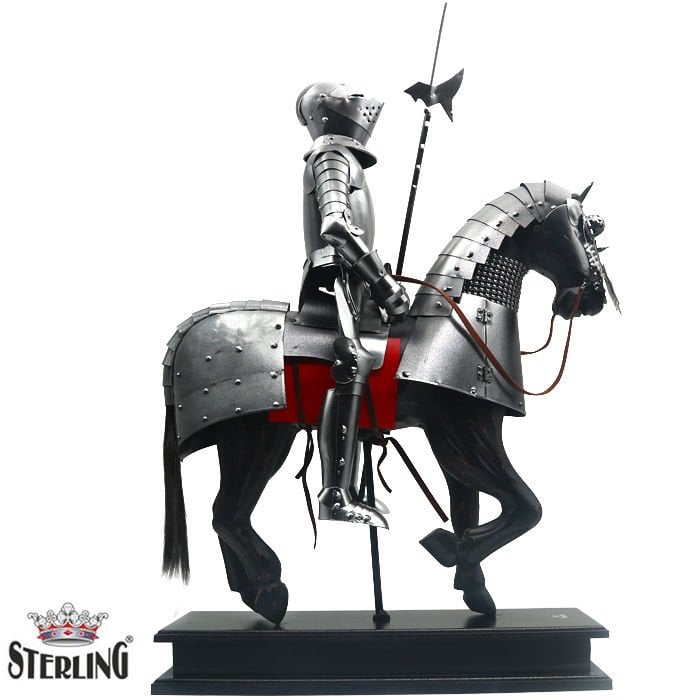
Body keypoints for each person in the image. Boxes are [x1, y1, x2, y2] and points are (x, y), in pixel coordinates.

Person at [296, 82, 409, 528]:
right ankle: (335, 494)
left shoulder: (343, 157)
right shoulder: (332, 157)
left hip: (352, 279)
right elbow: (336, 227)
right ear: (329, 112)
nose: (363, 104)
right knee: (352, 360)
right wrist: (383, 284)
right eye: (350, 97)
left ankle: (354, 484)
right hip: (336, 279)